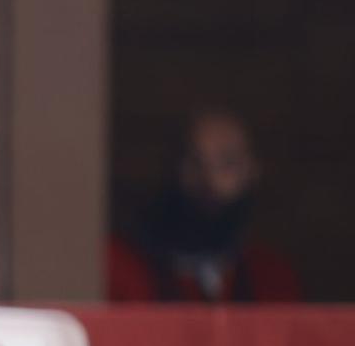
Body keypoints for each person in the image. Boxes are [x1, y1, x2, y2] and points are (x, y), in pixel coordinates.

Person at [107, 108, 303, 305]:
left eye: (227, 163)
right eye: (194, 162)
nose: (209, 180)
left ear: (252, 170)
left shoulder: (272, 278)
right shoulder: (123, 268)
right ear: (172, 167)